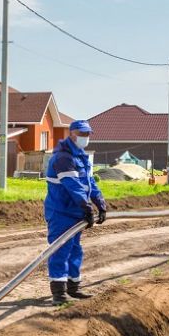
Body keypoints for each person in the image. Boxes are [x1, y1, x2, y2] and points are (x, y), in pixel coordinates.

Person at [44, 119, 107, 305]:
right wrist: (86, 207)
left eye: (87, 134)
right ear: (71, 134)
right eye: (81, 134)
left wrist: (100, 203)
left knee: (75, 250)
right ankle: (59, 293)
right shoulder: (63, 158)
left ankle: (73, 287)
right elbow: (74, 186)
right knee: (60, 250)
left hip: (75, 213)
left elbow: (90, 183)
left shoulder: (81, 156)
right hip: (61, 211)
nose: (85, 137)